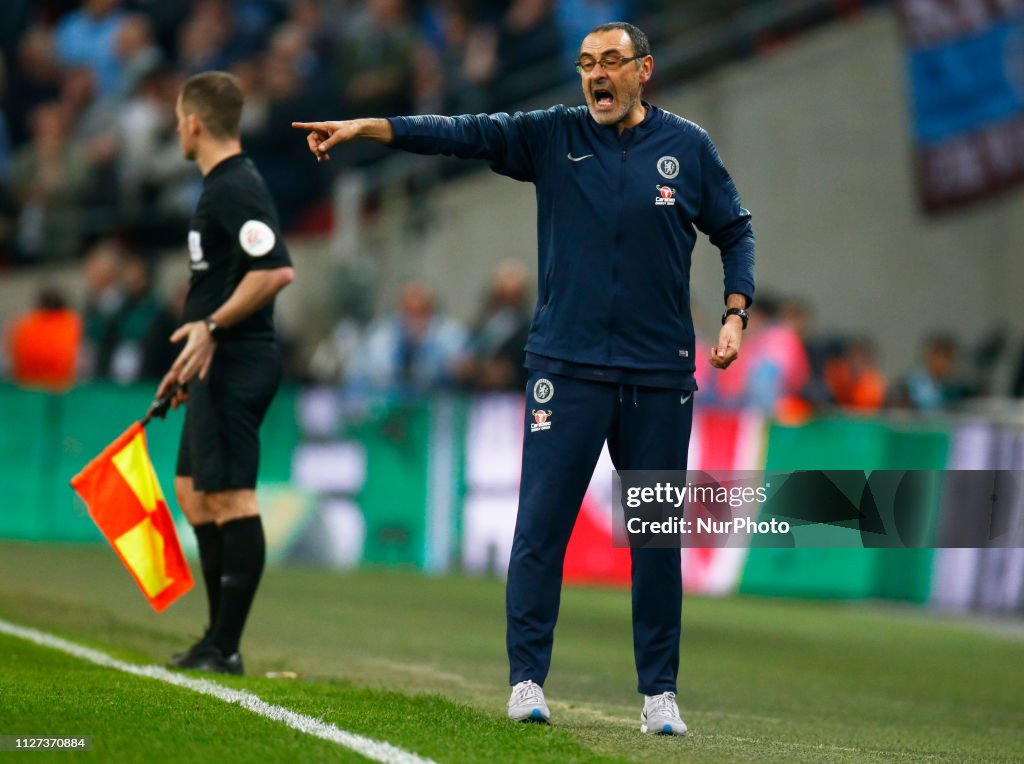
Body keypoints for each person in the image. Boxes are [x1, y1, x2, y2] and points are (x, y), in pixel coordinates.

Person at [293, 21, 754, 735]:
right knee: (540, 530)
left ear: (644, 70)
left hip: (659, 376)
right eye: (584, 64)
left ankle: (659, 693)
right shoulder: (552, 135)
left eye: (610, 62)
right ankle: (526, 680)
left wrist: (734, 312)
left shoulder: (688, 148)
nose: (595, 75)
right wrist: (370, 127)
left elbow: (736, 230)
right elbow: (462, 133)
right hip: (565, 372)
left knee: (656, 540)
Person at [157, 71, 294, 675]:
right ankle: (215, 637)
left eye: (177, 118)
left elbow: (275, 272)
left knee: (231, 496)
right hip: (211, 361)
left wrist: (211, 329)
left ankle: (227, 646)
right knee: (192, 492)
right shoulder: (220, 187)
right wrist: (190, 352)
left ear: (192, 122)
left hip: (238, 360)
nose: (176, 128)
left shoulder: (236, 186)